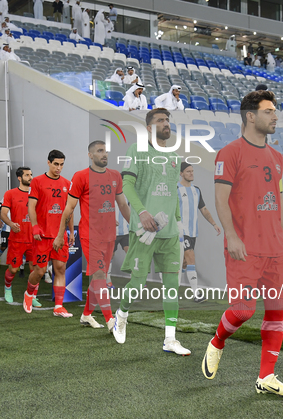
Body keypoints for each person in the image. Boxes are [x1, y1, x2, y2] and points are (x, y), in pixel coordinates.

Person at [203, 90, 283, 397]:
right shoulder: (230, 152)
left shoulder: (277, 156)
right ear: (250, 116)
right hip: (244, 247)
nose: (275, 116)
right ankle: (217, 341)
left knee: (276, 311)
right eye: (269, 111)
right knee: (243, 309)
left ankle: (266, 377)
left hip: (274, 249)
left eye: (275, 111)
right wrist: (231, 235)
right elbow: (220, 198)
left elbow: (280, 201)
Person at [111, 108, 189, 355]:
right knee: (138, 283)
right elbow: (127, 185)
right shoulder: (138, 150)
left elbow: (173, 193)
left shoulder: (175, 157)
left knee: (171, 286)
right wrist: (142, 213)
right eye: (160, 120)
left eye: (167, 120)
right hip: (144, 232)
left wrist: (179, 224)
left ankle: (170, 339)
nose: (166, 124)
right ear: (148, 127)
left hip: (168, 236)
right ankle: (121, 315)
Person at [54, 141, 130, 330]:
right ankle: (111, 320)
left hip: (110, 235)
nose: (104, 154)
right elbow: (69, 208)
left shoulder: (115, 176)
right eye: (100, 151)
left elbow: (122, 205)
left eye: (106, 151)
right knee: (98, 276)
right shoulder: (80, 177)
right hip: (90, 235)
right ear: (90, 155)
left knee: (100, 278)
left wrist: (136, 225)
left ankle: (86, 315)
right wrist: (60, 234)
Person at [23, 150, 75, 317]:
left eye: (61, 165)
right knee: (40, 271)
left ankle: (58, 307)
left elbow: (70, 211)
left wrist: (72, 231)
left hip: (60, 236)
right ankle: (29, 294)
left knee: (60, 268)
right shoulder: (37, 181)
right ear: (48, 163)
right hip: (42, 235)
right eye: (56, 164)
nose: (59, 168)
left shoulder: (67, 183)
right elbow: (31, 207)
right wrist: (34, 226)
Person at [177, 162, 221, 301]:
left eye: (192, 171)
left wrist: (214, 223)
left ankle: (173, 289)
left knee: (183, 263)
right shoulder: (175, 189)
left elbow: (203, 209)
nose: (191, 173)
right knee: (190, 258)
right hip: (180, 231)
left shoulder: (197, 190)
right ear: (181, 173)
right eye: (188, 171)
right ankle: (196, 294)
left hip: (193, 232)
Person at [0, 167, 42, 306]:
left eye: (31, 174)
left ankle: (32, 296)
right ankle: (7, 288)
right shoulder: (10, 194)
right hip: (17, 239)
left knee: (36, 269)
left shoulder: (38, 193)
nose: (30, 177)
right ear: (19, 178)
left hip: (34, 239)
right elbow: (3, 214)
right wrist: (11, 224)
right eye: (27, 175)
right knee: (13, 269)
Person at [108, 196, 129, 289]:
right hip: (112, 232)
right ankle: (108, 280)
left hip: (126, 231)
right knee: (110, 256)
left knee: (131, 253)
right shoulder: (108, 193)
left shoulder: (128, 193)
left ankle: (136, 280)